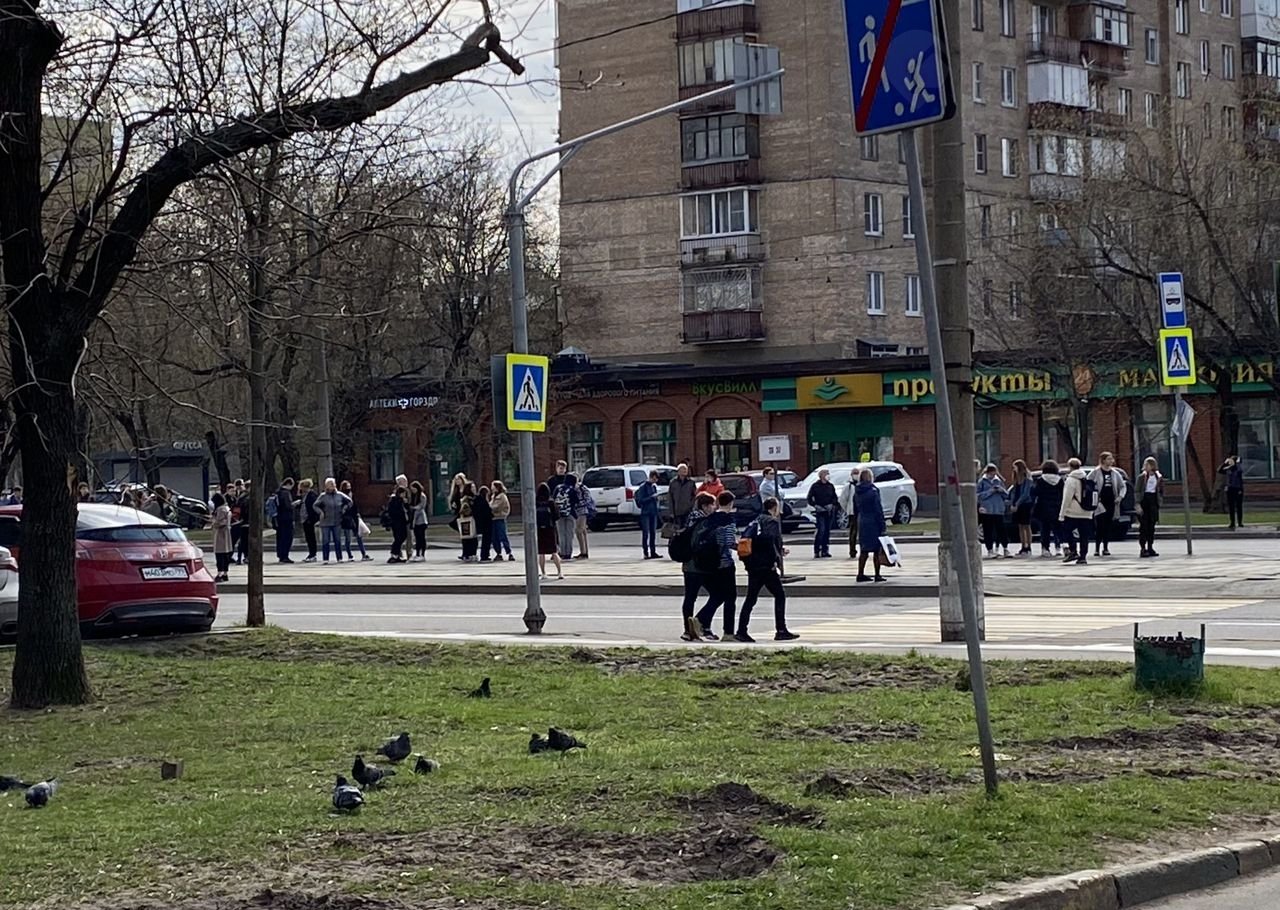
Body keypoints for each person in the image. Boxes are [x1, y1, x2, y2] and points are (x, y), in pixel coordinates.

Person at [736, 497, 799, 643]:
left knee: (751, 599)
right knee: (780, 595)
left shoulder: (756, 520)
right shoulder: (771, 521)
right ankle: (781, 630)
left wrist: (778, 550)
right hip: (765, 566)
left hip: (753, 565)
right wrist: (775, 559)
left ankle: (741, 631)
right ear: (774, 508)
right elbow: (769, 541)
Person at [694, 490, 739, 641]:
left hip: (709, 563)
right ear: (731, 503)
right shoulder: (728, 519)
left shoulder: (710, 518)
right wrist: (743, 548)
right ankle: (728, 632)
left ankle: (701, 621)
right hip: (725, 563)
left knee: (718, 595)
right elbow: (729, 542)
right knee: (730, 598)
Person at [678, 493, 718, 641]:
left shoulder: (690, 519)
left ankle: (690, 629)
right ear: (705, 506)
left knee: (690, 598)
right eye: (712, 505)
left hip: (689, 565)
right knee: (718, 594)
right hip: (700, 565)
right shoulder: (703, 522)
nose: (714, 508)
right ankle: (699, 624)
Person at [1089, 452, 1127, 558]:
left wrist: (1120, 497)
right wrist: (1093, 497)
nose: (1111, 461)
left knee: (1107, 525)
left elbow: (1122, 486)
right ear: (1103, 460)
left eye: (1112, 459)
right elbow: (1088, 484)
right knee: (1099, 525)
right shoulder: (1095, 472)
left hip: (1111, 502)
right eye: (1109, 459)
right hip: (1100, 503)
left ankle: (1105, 548)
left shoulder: (1115, 473)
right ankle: (1097, 548)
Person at [854, 468, 888, 582]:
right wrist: (882, 525)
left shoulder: (857, 491)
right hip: (873, 522)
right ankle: (877, 574)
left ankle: (860, 573)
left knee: (864, 549)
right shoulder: (873, 491)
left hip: (862, 520)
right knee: (876, 549)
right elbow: (878, 509)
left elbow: (855, 507)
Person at [1059, 457, 1093, 565]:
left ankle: (1073, 551)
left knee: (1066, 530)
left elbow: (1067, 497)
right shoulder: (1086, 478)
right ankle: (1083, 557)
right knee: (1084, 535)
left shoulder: (1070, 479)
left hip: (1073, 511)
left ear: (1070, 467)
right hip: (1086, 511)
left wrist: (1062, 514)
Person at [312, 478, 352, 564]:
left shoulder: (340, 495)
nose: (333, 486)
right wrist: (321, 512)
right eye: (330, 484)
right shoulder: (323, 496)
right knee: (326, 541)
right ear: (326, 486)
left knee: (337, 540)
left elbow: (350, 502)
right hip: (325, 522)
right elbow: (315, 505)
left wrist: (344, 509)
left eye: (333, 484)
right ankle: (325, 558)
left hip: (337, 521)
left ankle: (339, 558)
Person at [977, 464, 1011, 559]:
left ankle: (1005, 548)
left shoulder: (999, 481)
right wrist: (990, 491)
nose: (992, 476)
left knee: (1001, 530)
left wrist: (1001, 490)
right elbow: (978, 496)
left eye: (994, 474)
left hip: (998, 510)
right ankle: (990, 550)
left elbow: (1007, 495)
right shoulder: (982, 482)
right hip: (987, 510)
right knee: (988, 530)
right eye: (991, 474)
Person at [1033, 460, 1064, 557]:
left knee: (1045, 529)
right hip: (1057, 506)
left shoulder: (1040, 480)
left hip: (1043, 507)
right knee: (1057, 529)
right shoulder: (1060, 480)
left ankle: (1045, 548)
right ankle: (1058, 548)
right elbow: (1063, 494)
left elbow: (1036, 492)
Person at [807, 468, 839, 559]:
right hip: (820, 511)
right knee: (821, 530)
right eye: (826, 474)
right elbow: (809, 498)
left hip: (828, 512)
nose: (828, 475)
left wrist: (832, 504)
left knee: (827, 531)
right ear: (821, 476)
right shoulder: (815, 486)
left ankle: (825, 550)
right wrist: (816, 505)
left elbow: (834, 498)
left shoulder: (830, 486)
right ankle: (817, 550)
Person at [535, 482, 563, 580]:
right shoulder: (551, 502)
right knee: (554, 551)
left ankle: (543, 573)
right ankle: (559, 572)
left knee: (541, 552)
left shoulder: (536, 502)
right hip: (550, 529)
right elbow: (556, 516)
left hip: (539, 529)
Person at [1137, 456, 1164, 558]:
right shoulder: (1142, 477)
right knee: (1143, 527)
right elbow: (1137, 491)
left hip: (1153, 501)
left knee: (1151, 526)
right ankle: (1143, 548)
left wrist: (1159, 501)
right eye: (1145, 465)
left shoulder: (1158, 477)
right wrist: (1137, 504)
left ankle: (1150, 547)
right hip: (1144, 501)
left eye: (1147, 465)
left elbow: (1161, 491)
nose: (1146, 467)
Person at [339, 480, 371, 561]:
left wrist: (358, 514)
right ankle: (350, 555)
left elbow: (355, 506)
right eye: (347, 486)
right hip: (346, 519)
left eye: (349, 486)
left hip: (354, 518)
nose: (349, 488)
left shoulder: (352, 494)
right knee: (348, 538)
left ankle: (364, 554)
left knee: (359, 536)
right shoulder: (341, 496)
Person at [1009, 460, 1034, 557]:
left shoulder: (1027, 479)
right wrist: (1012, 504)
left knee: (1026, 525)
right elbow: (1013, 492)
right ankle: (1023, 546)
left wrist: (1017, 504)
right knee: (1020, 526)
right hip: (1017, 504)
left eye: (1015, 467)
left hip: (1025, 504)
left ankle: (1028, 547)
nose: (1013, 469)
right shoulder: (1016, 479)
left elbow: (1025, 494)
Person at [635, 470, 661, 559]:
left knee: (653, 533)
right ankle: (645, 552)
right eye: (654, 479)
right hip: (645, 512)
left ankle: (653, 552)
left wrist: (656, 499)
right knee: (646, 533)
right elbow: (640, 500)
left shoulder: (653, 487)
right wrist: (651, 497)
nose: (655, 481)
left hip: (653, 512)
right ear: (651, 477)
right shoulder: (643, 487)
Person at [553, 474, 579, 560]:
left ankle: (562, 552)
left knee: (561, 534)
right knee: (569, 534)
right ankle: (568, 553)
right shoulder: (572, 490)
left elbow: (553, 499)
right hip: (570, 513)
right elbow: (576, 501)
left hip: (559, 514)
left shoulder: (558, 488)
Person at [385, 480, 410, 563]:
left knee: (402, 537)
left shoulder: (403, 501)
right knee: (399, 538)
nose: (404, 495)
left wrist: (406, 504)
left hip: (403, 522)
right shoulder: (395, 500)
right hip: (397, 522)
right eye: (403, 494)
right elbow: (393, 511)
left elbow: (407, 510)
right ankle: (394, 554)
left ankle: (397, 554)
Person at [210, 492, 232, 583]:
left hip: (220, 534)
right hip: (226, 533)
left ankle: (220, 573)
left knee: (219, 554)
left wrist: (213, 523)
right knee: (226, 554)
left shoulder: (220, 509)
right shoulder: (226, 508)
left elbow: (219, 522)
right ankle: (225, 573)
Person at [668, 463, 697, 530]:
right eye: (683, 469)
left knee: (687, 529)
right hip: (677, 511)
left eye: (686, 469)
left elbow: (694, 496)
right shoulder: (673, 482)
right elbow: (670, 497)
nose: (685, 471)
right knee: (678, 530)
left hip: (688, 511)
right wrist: (671, 512)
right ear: (678, 471)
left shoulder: (691, 482)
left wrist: (691, 505)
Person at [490, 481, 515, 561]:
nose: (491, 488)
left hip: (499, 518)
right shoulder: (493, 496)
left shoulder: (502, 497)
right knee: (494, 537)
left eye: (493, 486)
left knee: (502, 536)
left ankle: (509, 552)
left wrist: (489, 507)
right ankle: (498, 553)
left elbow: (496, 507)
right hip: (493, 518)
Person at [274, 478, 296, 563]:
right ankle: (285, 555)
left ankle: (280, 555)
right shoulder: (286, 493)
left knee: (280, 537)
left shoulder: (278, 492)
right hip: (287, 518)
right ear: (288, 484)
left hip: (279, 518)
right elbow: (287, 506)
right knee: (287, 537)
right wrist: (294, 505)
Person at [1220, 454, 1245, 529]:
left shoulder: (1238, 469)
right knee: (1231, 507)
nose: (1230, 462)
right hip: (1230, 489)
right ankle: (1232, 522)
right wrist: (1224, 463)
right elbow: (1220, 470)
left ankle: (1240, 522)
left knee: (1239, 506)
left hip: (1238, 489)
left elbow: (1239, 471)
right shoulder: (1228, 469)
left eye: (1231, 461)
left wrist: (1237, 463)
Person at [297, 479, 319, 562]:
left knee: (311, 537)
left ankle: (313, 554)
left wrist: (312, 518)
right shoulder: (304, 495)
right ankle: (311, 553)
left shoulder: (312, 495)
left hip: (309, 519)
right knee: (308, 537)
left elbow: (312, 507)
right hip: (304, 518)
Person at [408, 481, 430, 562]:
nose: (413, 491)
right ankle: (417, 553)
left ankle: (422, 554)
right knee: (417, 538)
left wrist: (413, 508)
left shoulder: (422, 496)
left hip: (421, 520)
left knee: (421, 538)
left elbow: (421, 506)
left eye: (414, 489)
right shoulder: (413, 496)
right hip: (415, 520)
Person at [573, 476, 593, 559]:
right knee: (582, 531)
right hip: (578, 511)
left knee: (579, 531)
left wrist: (578, 504)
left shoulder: (581, 487)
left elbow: (587, 498)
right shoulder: (575, 487)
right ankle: (584, 551)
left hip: (582, 511)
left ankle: (583, 552)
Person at [474, 485, 496, 562]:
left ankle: (484, 555)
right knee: (486, 541)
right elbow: (487, 512)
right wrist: (492, 515)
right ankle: (485, 555)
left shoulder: (477, 500)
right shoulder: (483, 502)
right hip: (486, 523)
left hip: (481, 523)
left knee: (485, 540)